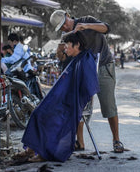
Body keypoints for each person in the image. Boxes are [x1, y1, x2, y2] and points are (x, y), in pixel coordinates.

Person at [15, 33, 99, 162]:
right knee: (38, 113)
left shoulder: (86, 59)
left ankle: (43, 153)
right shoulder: (76, 59)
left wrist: (72, 98)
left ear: (77, 45)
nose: (65, 49)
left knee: (44, 116)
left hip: (72, 103)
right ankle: (31, 150)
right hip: (64, 100)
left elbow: (89, 86)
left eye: (67, 46)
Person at [49, 9, 124, 153]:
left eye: (65, 23)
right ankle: (80, 142)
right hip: (83, 70)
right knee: (79, 104)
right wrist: (61, 53)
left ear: (68, 16)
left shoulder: (87, 20)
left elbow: (106, 28)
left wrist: (86, 26)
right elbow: (65, 59)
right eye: (61, 27)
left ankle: (116, 140)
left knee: (108, 104)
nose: (64, 28)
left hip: (103, 66)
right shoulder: (66, 36)